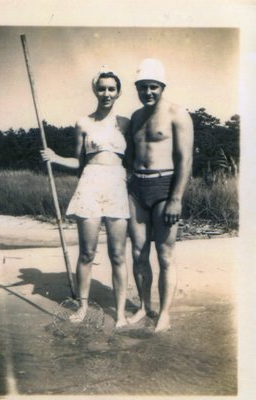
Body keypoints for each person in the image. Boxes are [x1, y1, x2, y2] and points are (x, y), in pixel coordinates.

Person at [41, 67, 130, 328]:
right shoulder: (83, 123)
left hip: (117, 185)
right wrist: (55, 157)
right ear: (95, 90)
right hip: (90, 184)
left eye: (111, 88)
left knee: (118, 254)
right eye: (102, 88)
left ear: (118, 92)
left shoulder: (125, 124)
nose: (106, 93)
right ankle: (81, 307)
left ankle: (121, 313)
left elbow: (137, 157)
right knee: (87, 253)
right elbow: (79, 162)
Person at [126, 58, 194, 332]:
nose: (148, 93)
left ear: (162, 86)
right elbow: (129, 156)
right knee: (139, 252)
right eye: (142, 88)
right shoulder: (136, 117)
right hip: (137, 189)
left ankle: (164, 313)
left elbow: (185, 160)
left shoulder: (178, 113)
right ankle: (145, 306)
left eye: (153, 87)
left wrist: (176, 198)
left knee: (164, 255)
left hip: (165, 187)